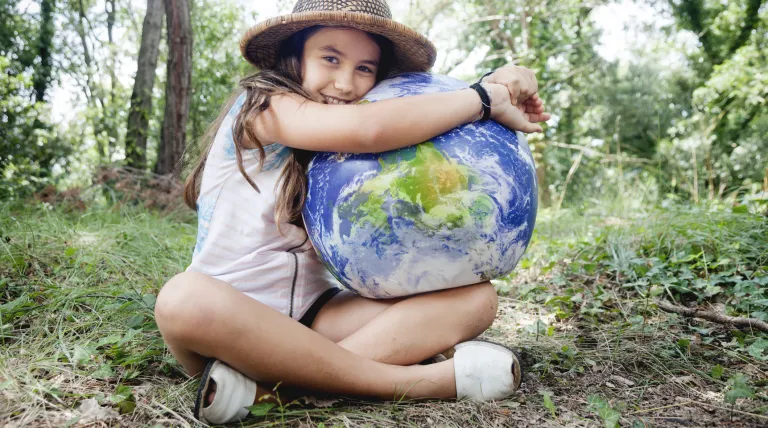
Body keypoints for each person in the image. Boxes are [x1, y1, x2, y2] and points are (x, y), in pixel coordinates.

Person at [154, 0, 551, 424]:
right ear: (294, 55)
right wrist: (486, 97)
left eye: (365, 68)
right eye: (330, 58)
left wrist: (503, 80)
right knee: (182, 298)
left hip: (315, 317)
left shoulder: (331, 140)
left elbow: (413, 117)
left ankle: (279, 393)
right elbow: (372, 129)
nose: (345, 83)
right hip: (232, 320)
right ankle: (419, 384)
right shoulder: (264, 105)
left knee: (476, 299)